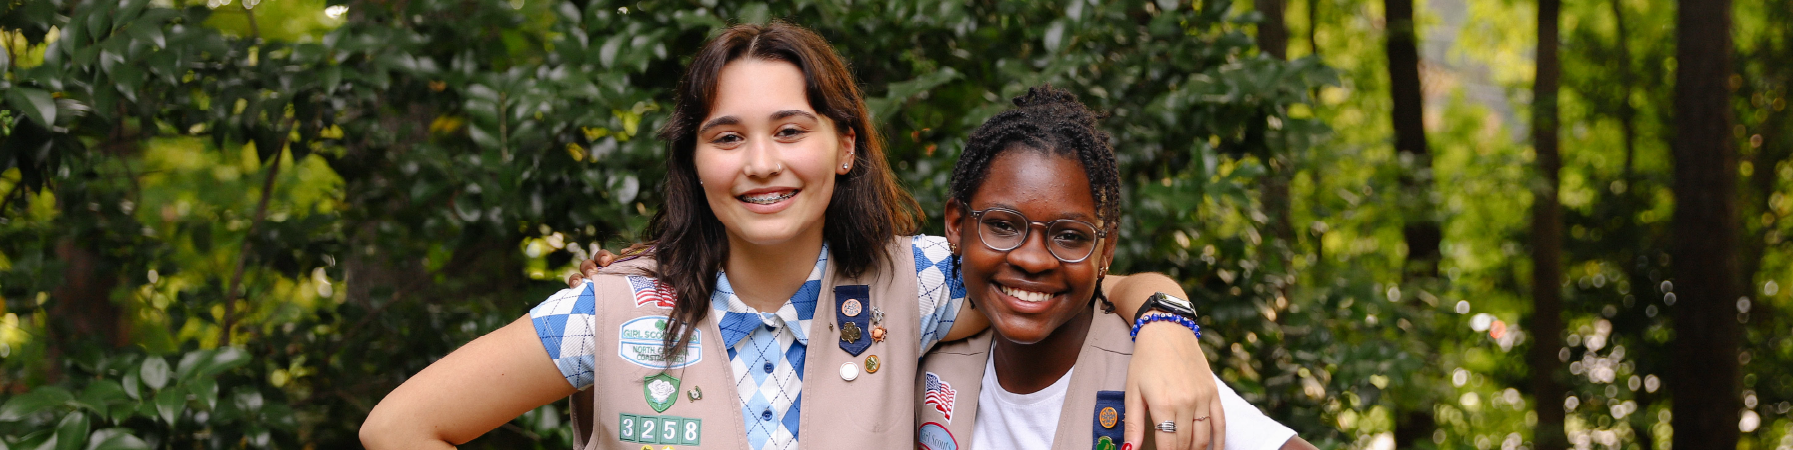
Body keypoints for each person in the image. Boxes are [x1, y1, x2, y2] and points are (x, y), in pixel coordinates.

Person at [362, 22, 1226, 450]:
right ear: (696, 160)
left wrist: (1170, 328)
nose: (761, 164)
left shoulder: (915, 286)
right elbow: (397, 429)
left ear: (844, 146)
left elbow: (1063, 274)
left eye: (790, 129)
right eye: (727, 136)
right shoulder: (616, 308)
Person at [916, 86, 1317, 450]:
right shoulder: (928, 337)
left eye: (1070, 236)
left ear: (1105, 250)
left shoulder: (1152, 371)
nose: (1033, 259)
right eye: (1003, 226)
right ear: (956, 223)